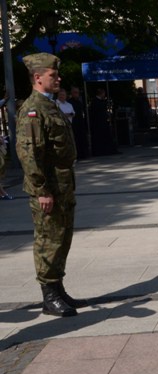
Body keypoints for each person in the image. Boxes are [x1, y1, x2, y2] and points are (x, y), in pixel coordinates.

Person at [16, 53, 88, 317]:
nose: (58, 79)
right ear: (38, 78)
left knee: (62, 239)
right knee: (48, 240)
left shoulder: (51, 104)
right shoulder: (33, 109)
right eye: (53, 76)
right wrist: (41, 190)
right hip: (48, 189)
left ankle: (58, 289)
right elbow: (29, 153)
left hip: (63, 185)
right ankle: (49, 296)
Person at [88, 87, 116, 156]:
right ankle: (101, 151)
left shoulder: (102, 101)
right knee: (100, 137)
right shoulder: (95, 101)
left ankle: (107, 150)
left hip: (103, 121)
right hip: (98, 122)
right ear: (101, 94)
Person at [68, 86, 88, 159]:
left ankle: (83, 154)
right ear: (72, 93)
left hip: (80, 122)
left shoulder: (79, 102)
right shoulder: (69, 102)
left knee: (82, 138)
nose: (77, 94)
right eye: (75, 92)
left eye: (78, 93)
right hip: (74, 123)